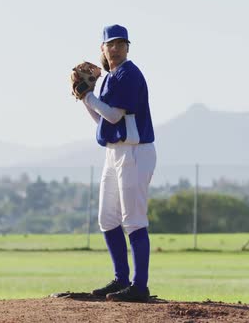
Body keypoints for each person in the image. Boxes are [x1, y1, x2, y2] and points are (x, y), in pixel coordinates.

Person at [80, 24, 156, 302]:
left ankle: (140, 286)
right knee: (107, 218)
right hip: (114, 152)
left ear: (127, 47)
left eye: (120, 43)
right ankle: (120, 279)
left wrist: (89, 96)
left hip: (135, 152)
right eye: (110, 43)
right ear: (102, 48)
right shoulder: (111, 77)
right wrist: (85, 100)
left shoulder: (128, 74)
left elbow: (113, 116)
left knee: (133, 220)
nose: (115, 47)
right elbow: (102, 120)